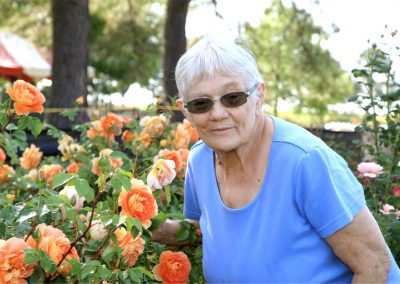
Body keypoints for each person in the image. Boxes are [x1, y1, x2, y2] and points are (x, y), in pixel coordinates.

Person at [152, 35, 400, 283]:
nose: (217, 114)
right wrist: (143, 227)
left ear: (259, 94)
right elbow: (207, 231)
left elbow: (375, 264)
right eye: (201, 103)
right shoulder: (199, 160)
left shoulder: (304, 162)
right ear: (185, 110)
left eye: (233, 98)